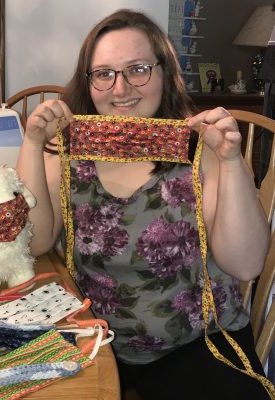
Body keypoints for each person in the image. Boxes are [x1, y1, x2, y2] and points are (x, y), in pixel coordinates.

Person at [16, 9, 271, 400]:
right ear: (89, 81)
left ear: (165, 72)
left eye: (138, 69)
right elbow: (33, 244)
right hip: (94, 340)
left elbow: (246, 264)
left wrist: (231, 161)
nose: (120, 90)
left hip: (196, 343)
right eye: (104, 73)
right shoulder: (66, 153)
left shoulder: (202, 150)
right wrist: (33, 145)